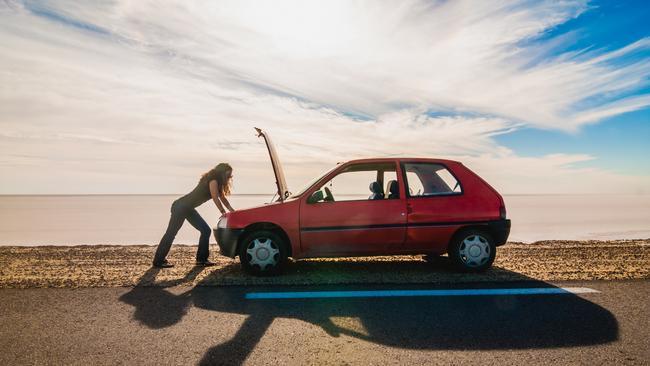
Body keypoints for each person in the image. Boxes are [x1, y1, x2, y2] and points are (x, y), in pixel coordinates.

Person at [153, 163, 235, 268]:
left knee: (205, 230)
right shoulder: (213, 180)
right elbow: (215, 197)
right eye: (228, 175)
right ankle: (158, 261)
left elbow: (222, 198)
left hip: (187, 208)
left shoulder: (216, 182)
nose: (229, 178)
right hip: (180, 207)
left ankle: (201, 260)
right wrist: (223, 212)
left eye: (230, 176)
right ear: (222, 173)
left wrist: (232, 211)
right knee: (171, 233)